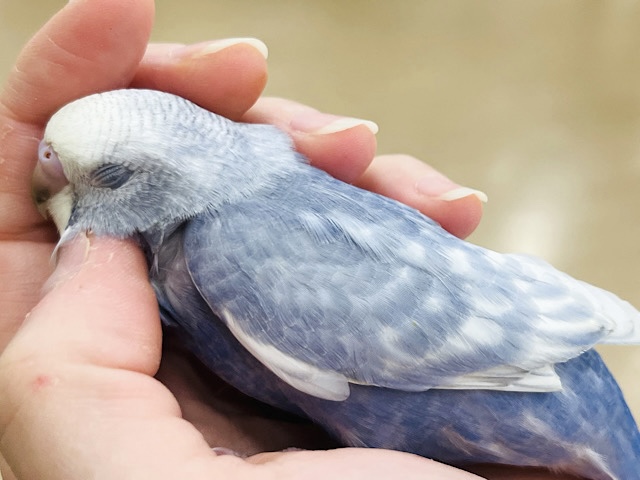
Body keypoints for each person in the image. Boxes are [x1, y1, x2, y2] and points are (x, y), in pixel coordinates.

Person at [0, 1, 575, 479]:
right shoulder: (179, 253)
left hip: (538, 390)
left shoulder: (228, 250)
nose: (44, 169)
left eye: (112, 176)